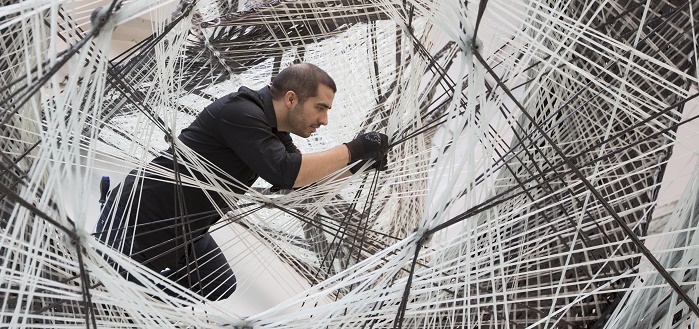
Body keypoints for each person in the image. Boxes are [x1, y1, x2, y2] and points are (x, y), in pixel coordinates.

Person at [95, 63, 389, 301]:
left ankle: (148, 303)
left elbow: (299, 183)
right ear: (291, 98)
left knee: (217, 284)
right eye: (321, 107)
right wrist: (354, 148)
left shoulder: (274, 132)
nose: (324, 120)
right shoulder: (241, 113)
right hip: (137, 223)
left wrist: (358, 165)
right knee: (116, 300)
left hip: (184, 232)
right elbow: (285, 171)